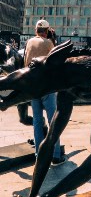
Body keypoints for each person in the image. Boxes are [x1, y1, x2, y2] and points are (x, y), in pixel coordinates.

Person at [24, 20, 65, 165]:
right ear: (46, 31)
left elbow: (26, 63)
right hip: (47, 87)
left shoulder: (29, 42)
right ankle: (55, 155)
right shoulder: (49, 44)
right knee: (53, 120)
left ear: (36, 30)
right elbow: (57, 64)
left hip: (33, 88)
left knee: (37, 121)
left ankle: (38, 154)